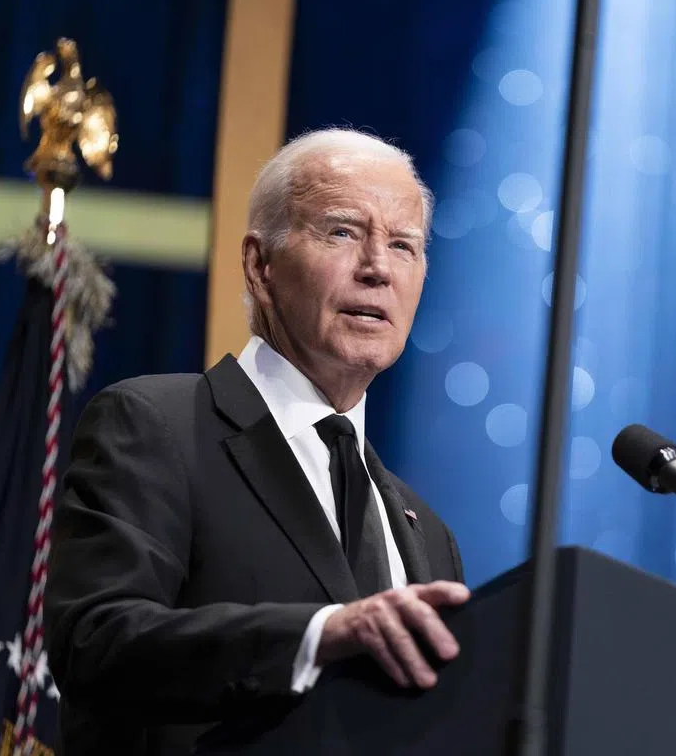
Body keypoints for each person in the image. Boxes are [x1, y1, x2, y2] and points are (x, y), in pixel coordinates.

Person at [43, 128, 470, 755]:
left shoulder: (427, 532)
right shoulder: (155, 425)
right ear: (259, 264)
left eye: (404, 245)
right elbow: (96, 639)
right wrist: (318, 635)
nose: (378, 268)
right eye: (344, 232)